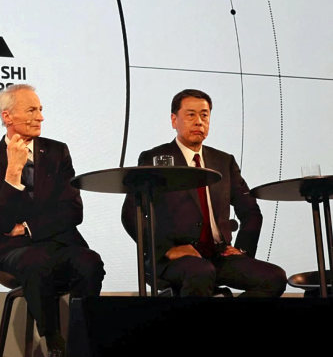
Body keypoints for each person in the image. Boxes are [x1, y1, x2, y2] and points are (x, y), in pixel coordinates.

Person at [0, 84, 104, 357]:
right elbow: (4, 222)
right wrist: (13, 172)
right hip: (13, 251)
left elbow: (72, 211)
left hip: (59, 242)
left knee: (90, 262)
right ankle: (55, 342)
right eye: (32, 110)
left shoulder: (57, 152)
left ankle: (83, 340)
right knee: (35, 262)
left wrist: (27, 227)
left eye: (40, 110)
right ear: (8, 117)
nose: (40, 117)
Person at [121, 89, 286, 297]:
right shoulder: (155, 158)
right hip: (172, 257)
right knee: (200, 272)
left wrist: (243, 250)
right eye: (191, 115)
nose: (199, 122)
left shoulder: (224, 161)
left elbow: (251, 211)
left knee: (274, 278)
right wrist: (165, 249)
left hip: (218, 255)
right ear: (174, 120)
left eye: (204, 115)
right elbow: (130, 214)